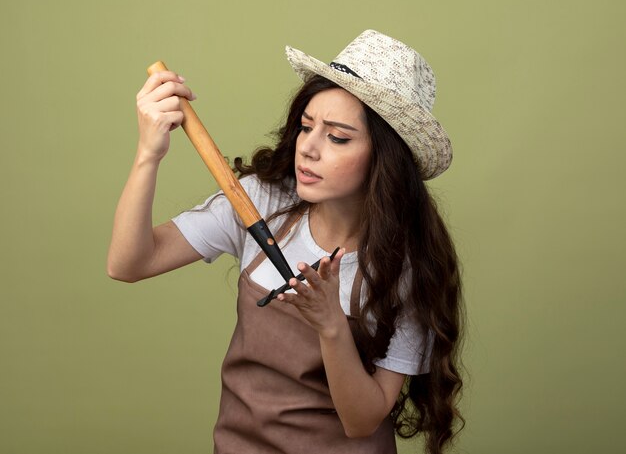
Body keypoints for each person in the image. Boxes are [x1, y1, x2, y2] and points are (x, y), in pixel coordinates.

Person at [108, 29, 464, 454]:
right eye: (306, 126)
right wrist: (149, 153)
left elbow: (362, 420)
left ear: (384, 159)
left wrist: (330, 323)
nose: (307, 149)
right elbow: (128, 265)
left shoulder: (409, 265)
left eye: (337, 137)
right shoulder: (257, 203)